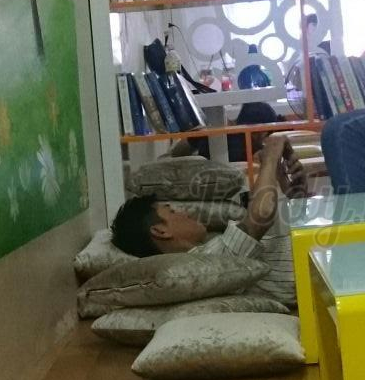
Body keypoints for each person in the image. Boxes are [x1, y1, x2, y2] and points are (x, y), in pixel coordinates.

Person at [111, 132, 306, 308]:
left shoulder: (211, 246)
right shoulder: (207, 262)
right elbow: (262, 214)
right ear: (160, 230)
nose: (185, 213)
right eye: (172, 211)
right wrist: (271, 155)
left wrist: (293, 193)